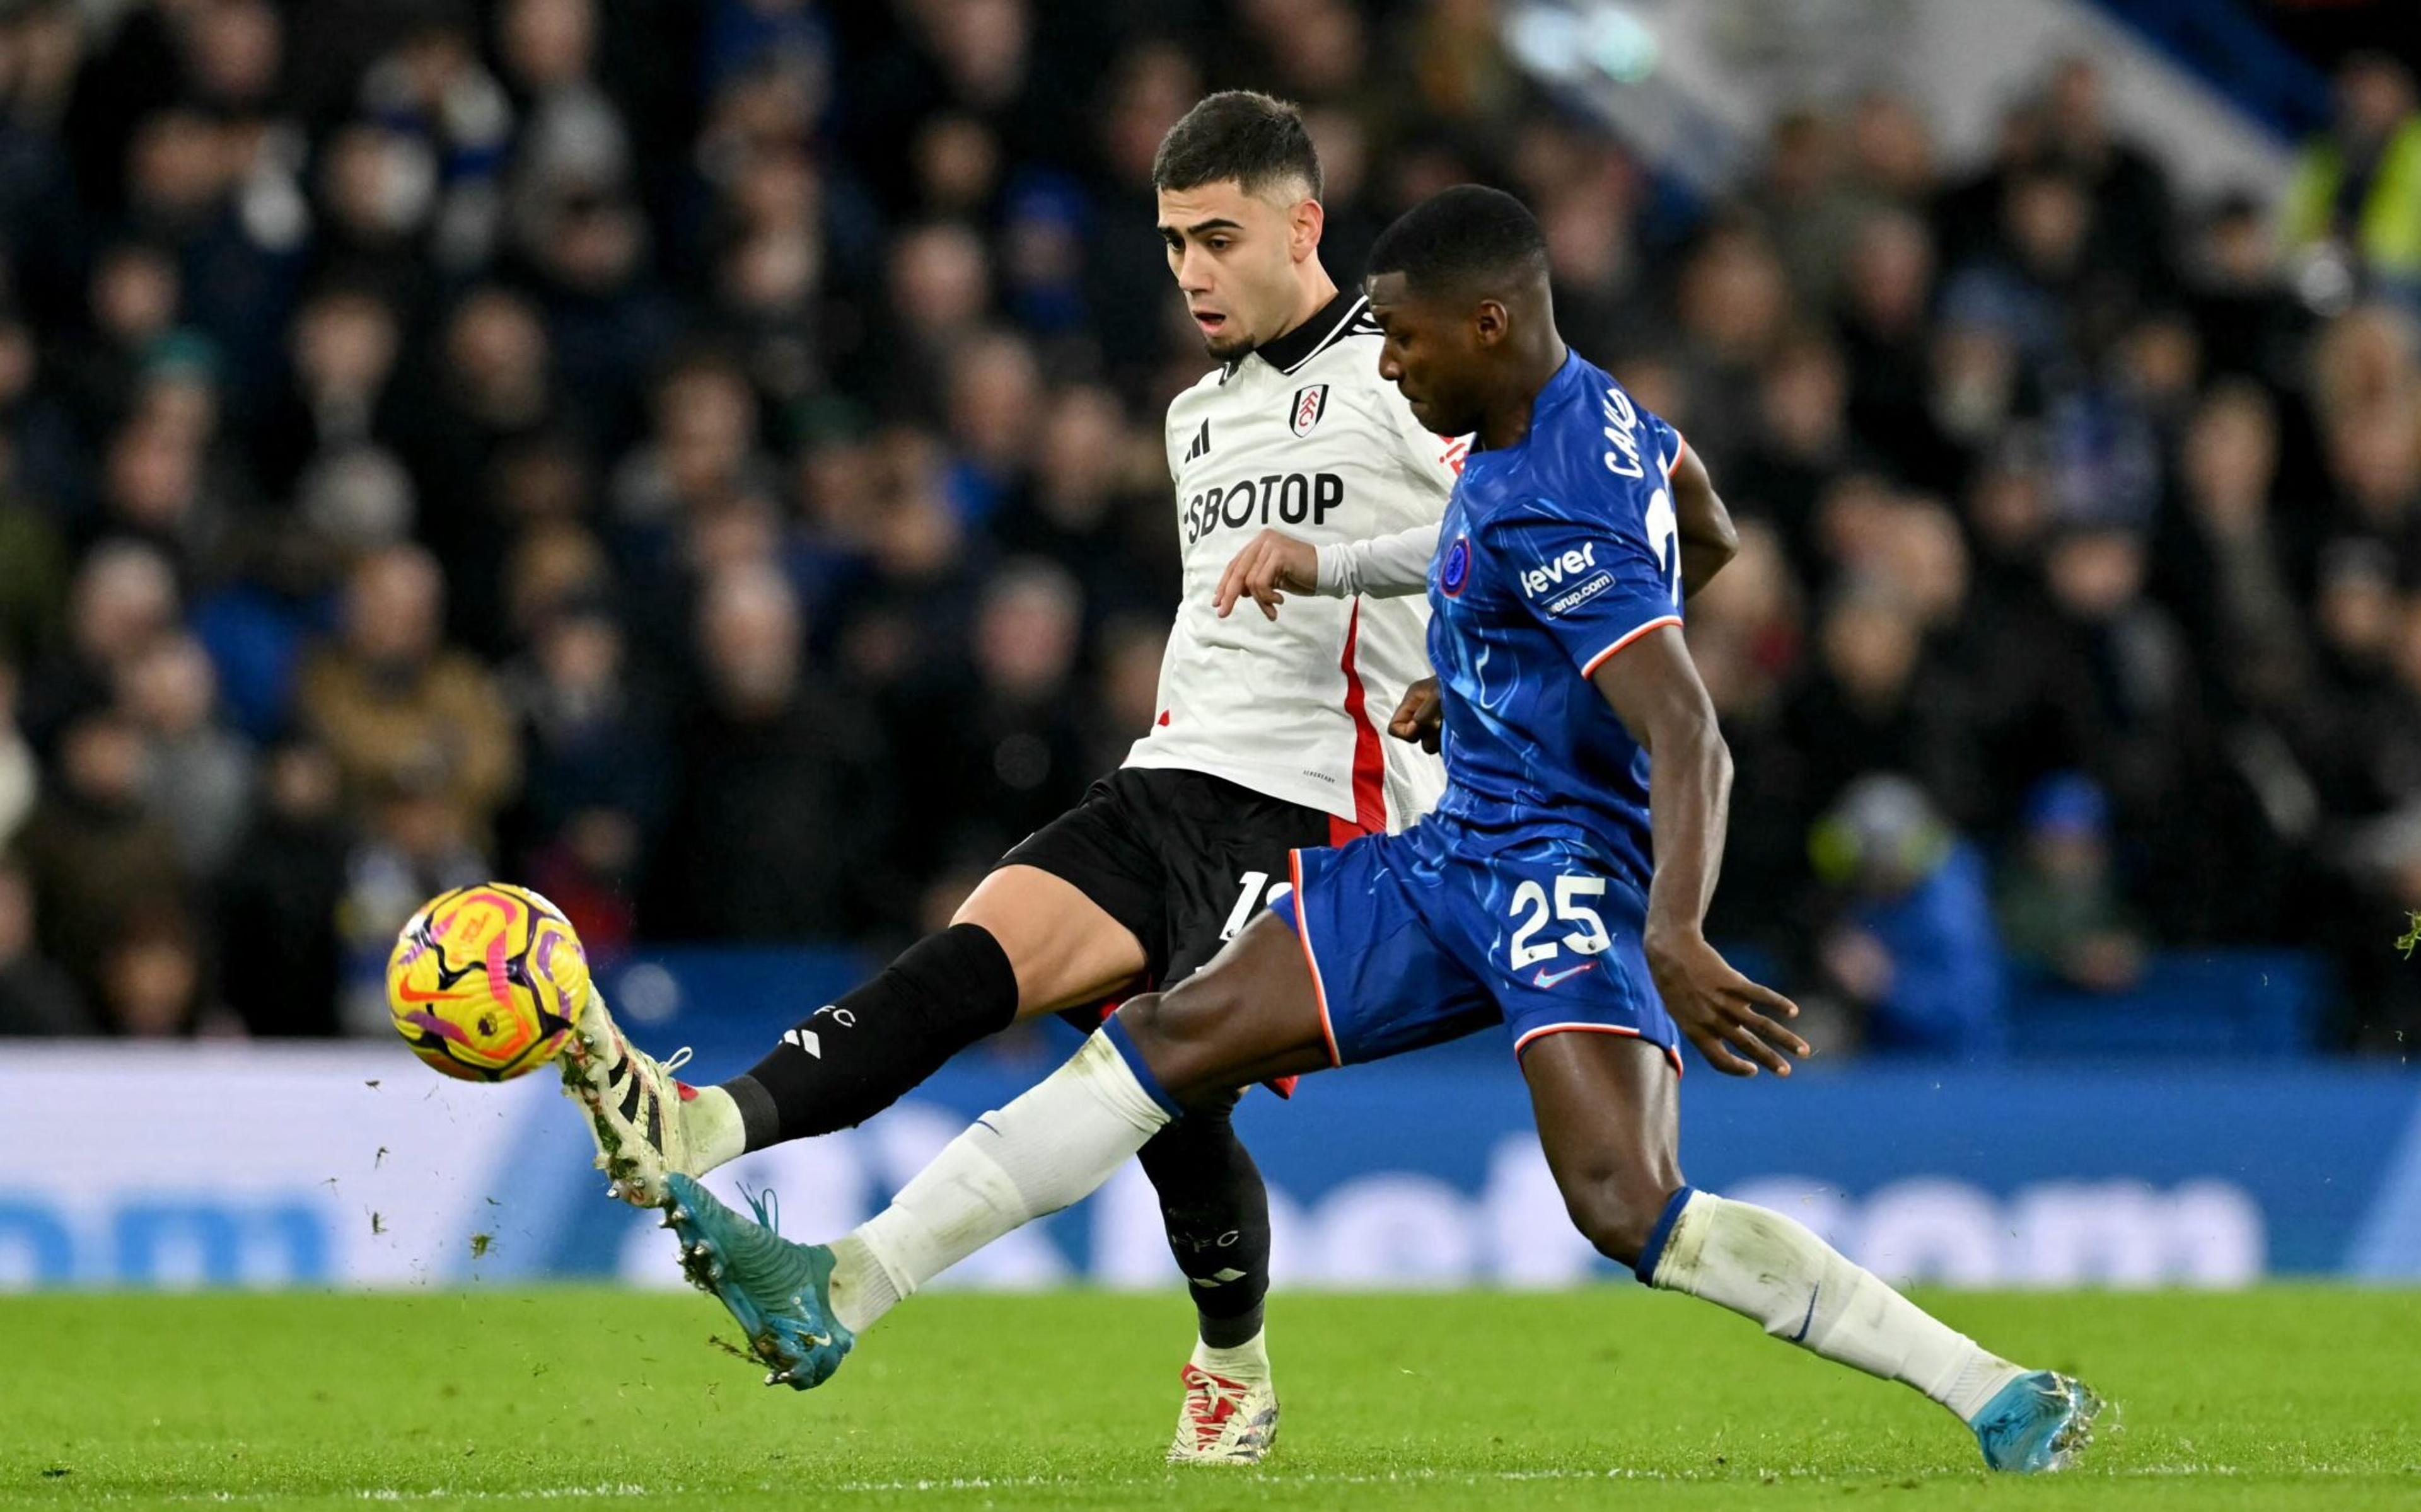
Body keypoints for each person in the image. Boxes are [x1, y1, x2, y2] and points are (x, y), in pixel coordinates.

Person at [651, 186, 2103, 1475]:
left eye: (1404, 343)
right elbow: (1695, 528)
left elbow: (1687, 731)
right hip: (1448, 854)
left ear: (1487, 322)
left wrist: (1673, 931)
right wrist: (1481, 667)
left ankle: (1987, 1387)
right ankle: (842, 1287)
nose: (1388, 365)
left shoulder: (1558, 497)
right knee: (1163, 1038)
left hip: (1559, 879)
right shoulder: (1588, 411)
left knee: (1629, 1209)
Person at [555, 91, 1461, 1464]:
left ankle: (848, 1283)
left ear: (1303, 224)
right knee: (981, 963)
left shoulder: (1410, 376)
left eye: (1219, 238)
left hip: (1316, 817)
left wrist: (1471, 669)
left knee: (1146, 1069)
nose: (1193, 274)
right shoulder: (1193, 418)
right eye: (1171, 246)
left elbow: (1529, 531)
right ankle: (701, 1126)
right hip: (1167, 780)